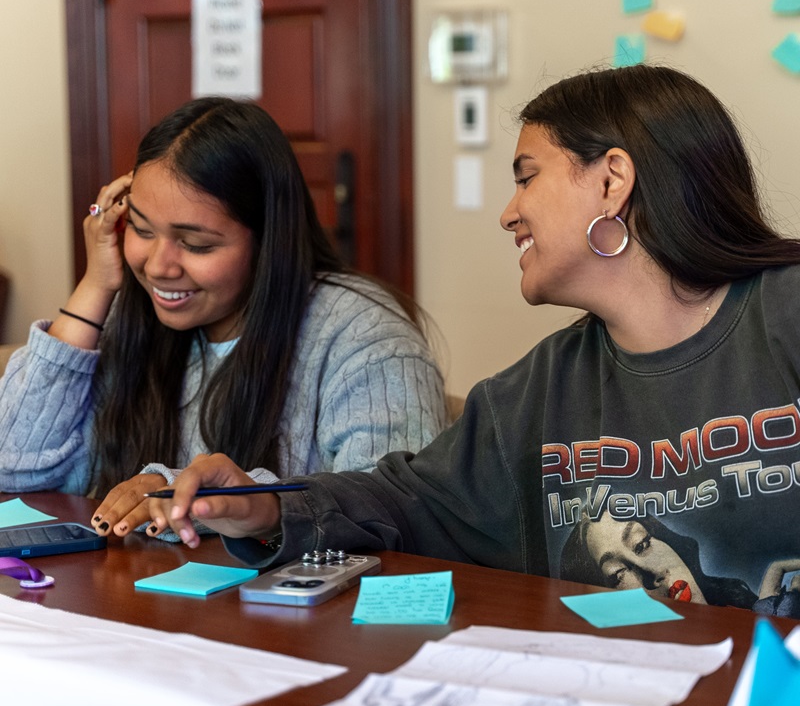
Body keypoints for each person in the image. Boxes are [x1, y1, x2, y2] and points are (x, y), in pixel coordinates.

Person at [145, 64, 800, 616]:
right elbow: (407, 499)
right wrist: (263, 509)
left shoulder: (786, 311)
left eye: (526, 176)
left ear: (611, 181)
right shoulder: (545, 387)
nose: (508, 213)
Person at [0, 97, 446, 537]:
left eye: (196, 245)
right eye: (141, 229)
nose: (158, 266)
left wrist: (197, 497)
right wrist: (94, 286)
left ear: (269, 240)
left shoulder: (366, 337)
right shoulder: (131, 313)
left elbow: (397, 513)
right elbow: (13, 469)